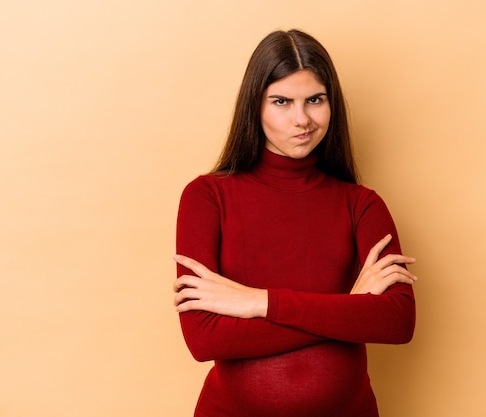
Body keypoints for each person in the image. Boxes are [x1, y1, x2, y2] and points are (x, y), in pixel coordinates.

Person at [172, 29, 418, 417]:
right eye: (282, 101)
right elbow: (204, 340)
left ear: (331, 103)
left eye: (315, 100)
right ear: (255, 106)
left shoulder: (361, 204)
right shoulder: (207, 197)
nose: (301, 119)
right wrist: (348, 310)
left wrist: (255, 302)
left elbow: (396, 322)